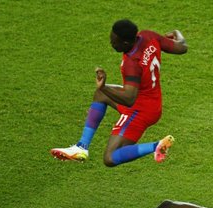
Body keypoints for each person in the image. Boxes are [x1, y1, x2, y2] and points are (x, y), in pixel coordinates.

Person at [51, 19, 188, 166]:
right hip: (153, 100)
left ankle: (157, 146)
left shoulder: (132, 63)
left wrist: (103, 87)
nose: (111, 43)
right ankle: (81, 147)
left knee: (110, 158)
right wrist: (177, 34)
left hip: (140, 111)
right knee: (101, 95)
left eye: (114, 42)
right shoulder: (149, 36)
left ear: (126, 44)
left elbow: (129, 98)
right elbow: (182, 47)